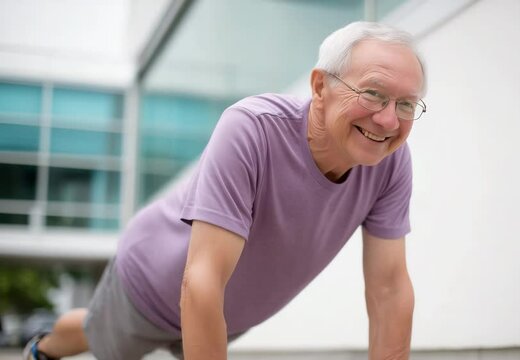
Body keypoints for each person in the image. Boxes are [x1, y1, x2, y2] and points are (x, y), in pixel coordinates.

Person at [23, 20, 427, 360]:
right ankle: (45, 346)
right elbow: (201, 279)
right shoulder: (252, 128)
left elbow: (389, 288)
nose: (389, 120)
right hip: (149, 286)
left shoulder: (391, 163)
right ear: (320, 86)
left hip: (228, 312)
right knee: (96, 335)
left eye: (407, 104)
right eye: (373, 93)